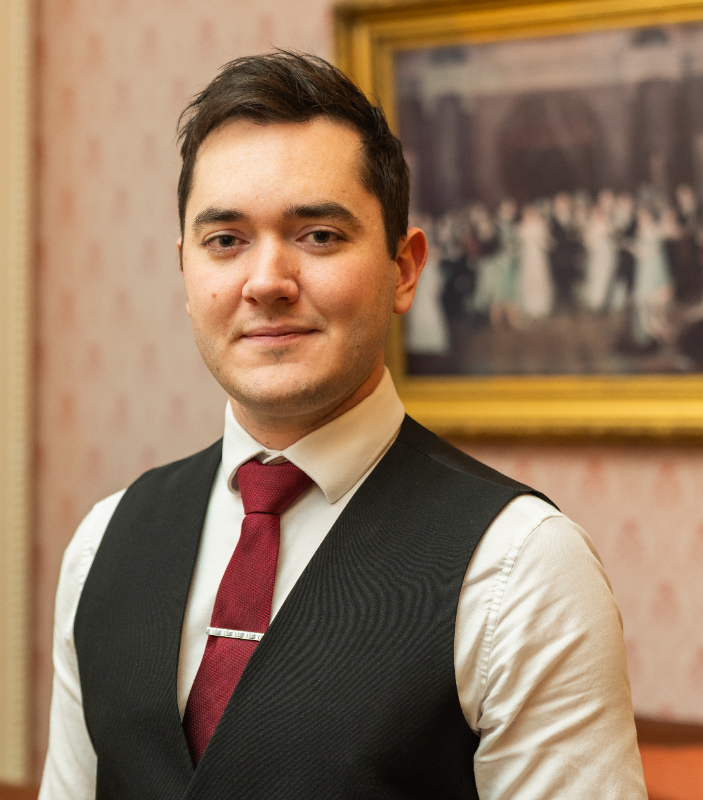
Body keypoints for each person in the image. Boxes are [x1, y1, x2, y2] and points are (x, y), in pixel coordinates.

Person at [39, 51, 646, 800]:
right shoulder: (104, 543)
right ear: (187, 275)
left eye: (319, 235)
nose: (266, 282)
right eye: (225, 240)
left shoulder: (522, 568)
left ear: (405, 269)